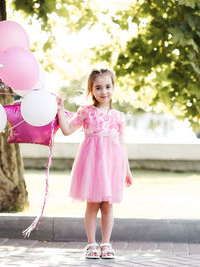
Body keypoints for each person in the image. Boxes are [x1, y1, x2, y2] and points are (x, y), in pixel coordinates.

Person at [57, 68, 133, 259]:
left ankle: (106, 243)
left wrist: (127, 170)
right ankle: (91, 243)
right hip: (92, 164)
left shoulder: (118, 116)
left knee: (107, 204)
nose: (104, 91)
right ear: (91, 89)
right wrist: (60, 109)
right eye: (98, 87)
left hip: (112, 165)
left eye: (108, 87)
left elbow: (122, 144)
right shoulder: (86, 112)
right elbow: (67, 130)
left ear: (113, 87)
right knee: (92, 204)